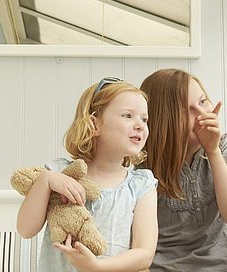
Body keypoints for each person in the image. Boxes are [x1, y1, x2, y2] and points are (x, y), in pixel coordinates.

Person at [17, 77, 158, 272]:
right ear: (94, 125)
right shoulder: (59, 174)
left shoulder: (141, 186)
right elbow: (25, 229)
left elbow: (144, 254)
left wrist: (96, 267)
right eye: (127, 116)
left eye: (144, 119)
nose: (140, 125)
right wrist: (45, 180)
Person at [140, 69, 227, 271]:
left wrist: (212, 150)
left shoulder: (224, 146)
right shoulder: (142, 164)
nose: (202, 113)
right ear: (164, 120)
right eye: (186, 110)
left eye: (203, 101)